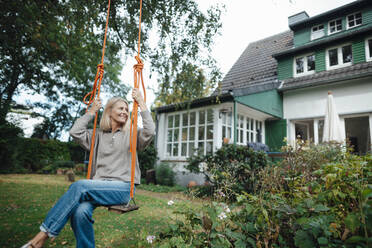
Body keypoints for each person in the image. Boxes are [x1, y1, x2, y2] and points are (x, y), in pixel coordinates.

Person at [22, 88, 155, 248]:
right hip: (98, 186)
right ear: (109, 111)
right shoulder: (97, 135)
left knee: (80, 186)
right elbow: (75, 132)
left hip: (123, 188)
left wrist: (141, 103)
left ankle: (41, 237)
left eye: (127, 109)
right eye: (121, 108)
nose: (125, 112)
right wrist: (91, 111)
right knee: (80, 213)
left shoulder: (132, 134)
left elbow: (150, 131)